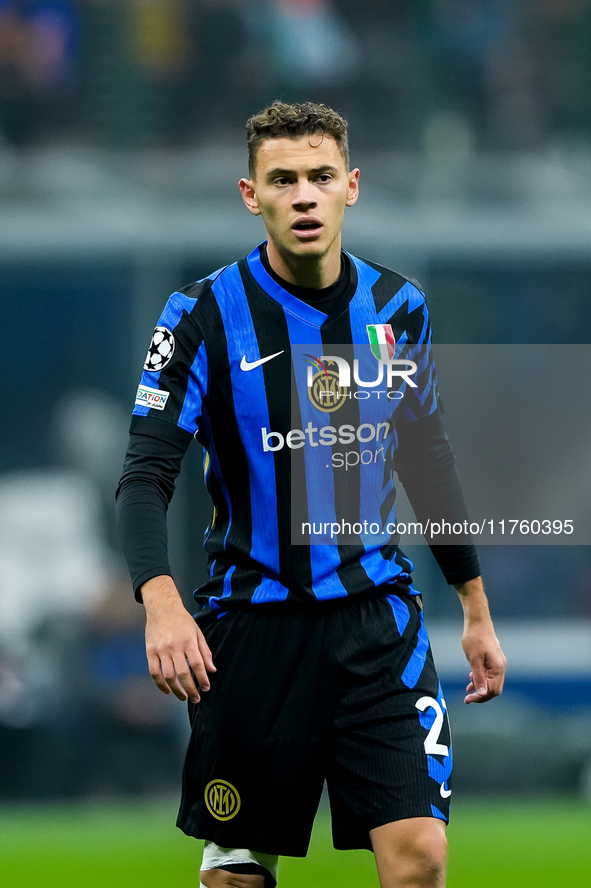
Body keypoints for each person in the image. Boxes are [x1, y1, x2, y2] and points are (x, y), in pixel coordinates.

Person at [116, 100, 506, 888]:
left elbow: (427, 458)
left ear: (350, 186)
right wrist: (159, 601)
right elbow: (145, 472)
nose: (302, 195)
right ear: (249, 194)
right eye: (282, 179)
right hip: (253, 630)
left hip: (376, 624)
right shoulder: (200, 316)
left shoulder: (397, 308)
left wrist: (472, 604)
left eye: (320, 177)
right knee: (237, 878)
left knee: (420, 857)